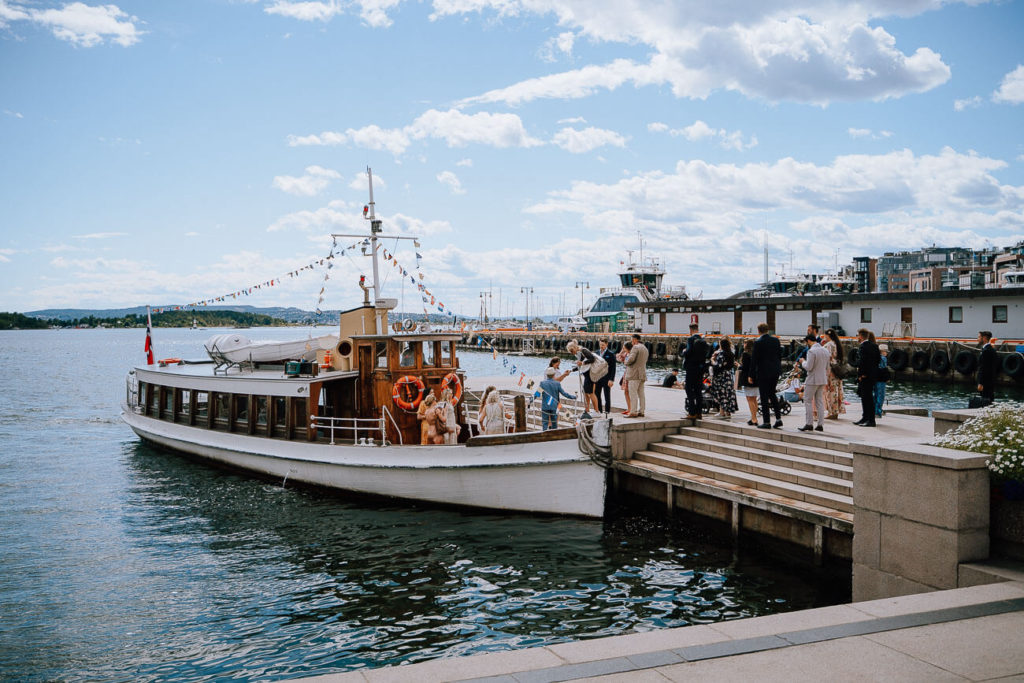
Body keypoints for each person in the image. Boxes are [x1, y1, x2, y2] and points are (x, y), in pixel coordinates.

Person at [749, 322, 783, 429]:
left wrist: (751, 374)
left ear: (758, 331)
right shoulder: (775, 340)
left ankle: (767, 421)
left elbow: (754, 360)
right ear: (768, 330)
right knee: (772, 394)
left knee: (764, 396)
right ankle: (778, 419)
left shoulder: (758, 342)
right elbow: (779, 356)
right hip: (775, 371)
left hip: (763, 372)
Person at [798, 333, 829, 432]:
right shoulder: (825, 350)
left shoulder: (811, 351)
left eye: (806, 342)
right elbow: (827, 367)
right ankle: (820, 424)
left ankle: (809, 423)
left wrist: (802, 361)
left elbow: (808, 367)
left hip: (812, 379)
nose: (806, 344)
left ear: (809, 341)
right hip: (822, 379)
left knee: (807, 401)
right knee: (819, 401)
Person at [681, 323, 709, 418]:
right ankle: (699, 412)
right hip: (700, 368)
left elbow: (688, 352)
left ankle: (691, 412)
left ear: (690, 330)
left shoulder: (691, 339)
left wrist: (684, 351)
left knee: (688, 388)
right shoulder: (703, 340)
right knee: (698, 390)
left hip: (691, 368)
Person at [566, 340, 601, 414]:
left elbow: (592, 359)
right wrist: (571, 370)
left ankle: (597, 411)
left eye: (572, 351)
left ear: (575, 348)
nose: (572, 353)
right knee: (585, 392)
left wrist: (582, 362)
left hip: (591, 374)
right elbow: (580, 365)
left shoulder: (583, 351)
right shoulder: (578, 354)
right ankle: (587, 410)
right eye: (570, 352)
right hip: (586, 374)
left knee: (591, 393)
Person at [854, 328, 879, 427]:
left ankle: (870, 420)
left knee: (866, 398)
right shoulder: (874, 346)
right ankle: (865, 417)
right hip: (872, 375)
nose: (857, 337)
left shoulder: (863, 347)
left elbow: (862, 362)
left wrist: (861, 375)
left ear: (860, 336)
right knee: (867, 397)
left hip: (865, 376)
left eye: (857, 335)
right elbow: (877, 360)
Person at [709, 337, 738, 419]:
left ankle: (722, 412)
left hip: (721, 377)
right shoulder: (731, 354)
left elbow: (718, 366)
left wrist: (712, 361)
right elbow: (730, 365)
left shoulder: (721, 353)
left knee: (721, 393)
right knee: (728, 393)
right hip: (728, 375)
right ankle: (728, 412)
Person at [540, 366, 576, 430]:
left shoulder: (542, 383)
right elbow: (564, 394)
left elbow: (537, 394)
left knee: (545, 423)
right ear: (554, 375)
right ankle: (554, 435)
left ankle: (544, 435)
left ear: (547, 375)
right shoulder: (557, 383)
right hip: (554, 406)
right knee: (554, 424)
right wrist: (573, 397)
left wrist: (530, 400)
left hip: (545, 406)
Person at [623, 333, 649, 418]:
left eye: (632, 340)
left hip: (634, 374)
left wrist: (625, 362)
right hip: (642, 374)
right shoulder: (645, 348)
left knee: (633, 393)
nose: (631, 342)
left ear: (635, 339)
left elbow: (631, 359)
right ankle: (642, 411)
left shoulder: (635, 347)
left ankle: (633, 411)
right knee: (641, 393)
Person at [822, 328, 846, 419]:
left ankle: (831, 412)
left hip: (830, 371)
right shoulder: (837, 344)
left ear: (827, 335)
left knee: (830, 391)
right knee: (837, 390)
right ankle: (836, 411)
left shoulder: (828, 345)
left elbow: (826, 357)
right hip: (836, 370)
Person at [738, 339, 759, 425]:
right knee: (754, 399)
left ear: (747, 345)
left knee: (749, 399)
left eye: (745, 343)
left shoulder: (745, 354)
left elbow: (745, 367)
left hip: (748, 378)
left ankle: (754, 418)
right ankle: (753, 417)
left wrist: (739, 366)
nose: (743, 344)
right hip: (756, 378)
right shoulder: (756, 354)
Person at [596, 338, 617, 415]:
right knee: (597, 394)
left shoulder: (611, 354)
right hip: (598, 378)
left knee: (607, 395)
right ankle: (599, 410)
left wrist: (611, 379)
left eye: (603, 345)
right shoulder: (596, 353)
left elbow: (613, 368)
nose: (601, 346)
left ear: (606, 344)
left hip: (607, 378)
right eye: (600, 345)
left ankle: (607, 411)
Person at [977, 330, 997, 402]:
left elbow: (984, 367)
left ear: (984, 338)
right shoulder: (991, 349)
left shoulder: (986, 351)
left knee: (985, 401)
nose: (977, 339)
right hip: (990, 381)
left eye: (979, 337)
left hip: (985, 382)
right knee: (989, 400)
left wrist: (981, 383)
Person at [617, 341, 633, 414]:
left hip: (630, 374)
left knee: (630, 391)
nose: (623, 349)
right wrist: (621, 351)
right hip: (626, 374)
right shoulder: (626, 354)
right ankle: (629, 408)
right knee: (626, 391)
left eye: (624, 348)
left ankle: (632, 408)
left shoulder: (632, 355)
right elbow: (618, 358)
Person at [875, 344, 889, 418]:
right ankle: (878, 411)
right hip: (881, 380)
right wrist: (887, 378)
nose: (886, 353)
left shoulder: (875, 358)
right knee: (881, 396)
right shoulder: (883, 358)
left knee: (876, 395)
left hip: (875, 379)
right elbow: (884, 370)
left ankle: (875, 410)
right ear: (882, 351)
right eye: (886, 351)